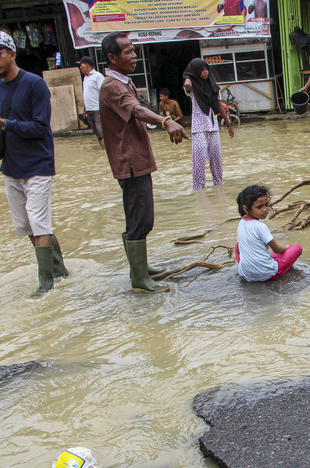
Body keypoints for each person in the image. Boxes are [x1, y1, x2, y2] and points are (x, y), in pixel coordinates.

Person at [0, 30, 68, 298]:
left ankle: (46, 282)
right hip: (11, 166)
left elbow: (39, 127)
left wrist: (3, 123)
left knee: (37, 221)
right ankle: (58, 269)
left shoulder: (34, 84)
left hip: (38, 164)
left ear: (12, 54)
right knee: (27, 225)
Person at [98, 31, 189, 293]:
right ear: (112, 58)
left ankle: (140, 269)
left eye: (133, 50)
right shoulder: (113, 86)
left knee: (137, 217)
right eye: (127, 51)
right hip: (130, 162)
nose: (134, 55)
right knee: (141, 219)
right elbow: (136, 110)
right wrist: (165, 120)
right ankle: (139, 279)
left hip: (133, 159)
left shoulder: (121, 82)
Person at [182, 58, 234, 191]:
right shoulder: (193, 87)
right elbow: (187, 85)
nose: (205, 72)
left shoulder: (212, 85)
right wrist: (188, 76)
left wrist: (228, 124)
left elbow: (218, 105)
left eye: (206, 69)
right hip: (199, 129)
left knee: (217, 160)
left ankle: (218, 188)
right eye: (202, 70)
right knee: (199, 162)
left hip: (213, 127)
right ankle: (199, 190)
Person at [234, 184, 302, 282]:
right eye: (259, 207)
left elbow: (239, 251)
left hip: (245, 274)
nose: (265, 209)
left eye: (266, 204)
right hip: (266, 274)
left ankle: (251, 267)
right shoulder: (260, 226)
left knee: (237, 245)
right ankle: (267, 268)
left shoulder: (241, 223)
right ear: (246, 209)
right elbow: (277, 250)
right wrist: (287, 247)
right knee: (296, 247)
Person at [77, 56, 105, 149]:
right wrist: (85, 110)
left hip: (98, 109)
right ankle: (103, 150)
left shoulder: (98, 76)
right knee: (97, 133)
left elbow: (103, 92)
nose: (80, 68)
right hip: (89, 110)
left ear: (87, 65)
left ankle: (106, 152)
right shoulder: (85, 78)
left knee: (101, 133)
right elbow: (87, 95)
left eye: (82, 66)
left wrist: (103, 108)